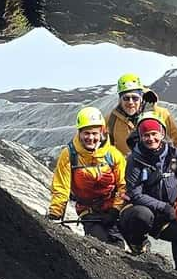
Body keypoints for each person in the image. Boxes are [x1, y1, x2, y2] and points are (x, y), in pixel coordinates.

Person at [119, 111, 177, 271]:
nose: (151, 138)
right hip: (149, 213)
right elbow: (135, 194)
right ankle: (138, 243)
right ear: (140, 136)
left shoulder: (176, 155)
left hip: (174, 209)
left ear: (162, 133)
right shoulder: (135, 160)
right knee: (141, 215)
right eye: (146, 135)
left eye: (154, 133)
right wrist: (164, 207)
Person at [48, 106, 126, 247]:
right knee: (100, 244)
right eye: (86, 133)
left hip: (113, 210)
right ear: (79, 133)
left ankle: (139, 243)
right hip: (89, 212)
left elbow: (124, 185)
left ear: (102, 132)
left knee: (118, 245)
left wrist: (115, 210)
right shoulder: (69, 155)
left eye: (94, 133)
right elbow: (61, 186)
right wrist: (55, 213)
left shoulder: (113, 155)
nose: (91, 138)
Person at [107, 73, 177, 155]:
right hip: (127, 167)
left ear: (141, 98)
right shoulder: (110, 120)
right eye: (126, 98)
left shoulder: (161, 114)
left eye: (135, 98)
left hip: (161, 165)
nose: (131, 102)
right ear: (120, 99)